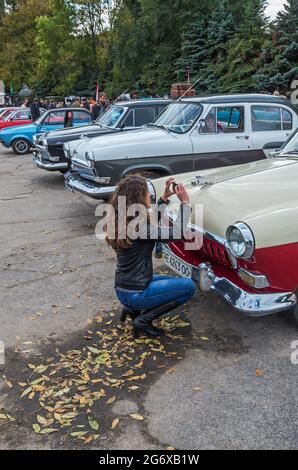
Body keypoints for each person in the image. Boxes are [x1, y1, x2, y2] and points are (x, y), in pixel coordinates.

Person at [105, 175, 196, 338]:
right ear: (138, 198)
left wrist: (163, 198)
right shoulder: (138, 227)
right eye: (147, 193)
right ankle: (143, 321)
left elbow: (151, 224)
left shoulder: (124, 220)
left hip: (126, 286)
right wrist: (185, 203)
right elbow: (176, 233)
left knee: (172, 281)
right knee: (188, 287)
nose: (149, 196)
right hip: (136, 292)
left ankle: (132, 309)